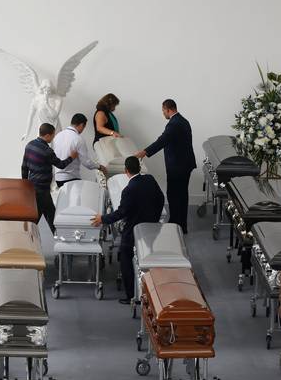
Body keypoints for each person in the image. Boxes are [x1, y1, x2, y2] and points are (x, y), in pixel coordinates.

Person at [92, 156, 164, 304]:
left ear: (126, 171)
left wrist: (103, 218)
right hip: (152, 228)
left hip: (133, 231)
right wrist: (154, 219)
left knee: (125, 257)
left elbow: (121, 212)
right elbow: (161, 199)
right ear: (139, 167)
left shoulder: (129, 189)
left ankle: (132, 295)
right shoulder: (150, 179)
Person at [135, 99, 196, 233]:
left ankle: (175, 223)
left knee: (174, 194)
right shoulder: (183, 121)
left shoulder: (174, 124)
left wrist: (144, 152)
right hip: (185, 164)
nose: (163, 113)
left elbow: (162, 141)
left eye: (163, 111)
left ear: (168, 109)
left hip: (178, 166)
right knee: (182, 195)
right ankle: (181, 224)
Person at [21, 123, 78, 233]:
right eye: (53, 135)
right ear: (47, 135)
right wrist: (72, 157)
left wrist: (25, 185)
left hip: (33, 187)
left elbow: (24, 166)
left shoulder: (30, 145)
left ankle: (56, 236)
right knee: (44, 215)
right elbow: (61, 165)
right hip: (42, 189)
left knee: (46, 213)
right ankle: (27, 237)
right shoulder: (47, 151)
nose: (53, 138)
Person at [52, 113, 107, 188]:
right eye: (84, 127)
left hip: (58, 178)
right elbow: (86, 162)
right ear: (82, 125)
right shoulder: (78, 139)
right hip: (71, 177)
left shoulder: (57, 136)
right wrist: (100, 167)